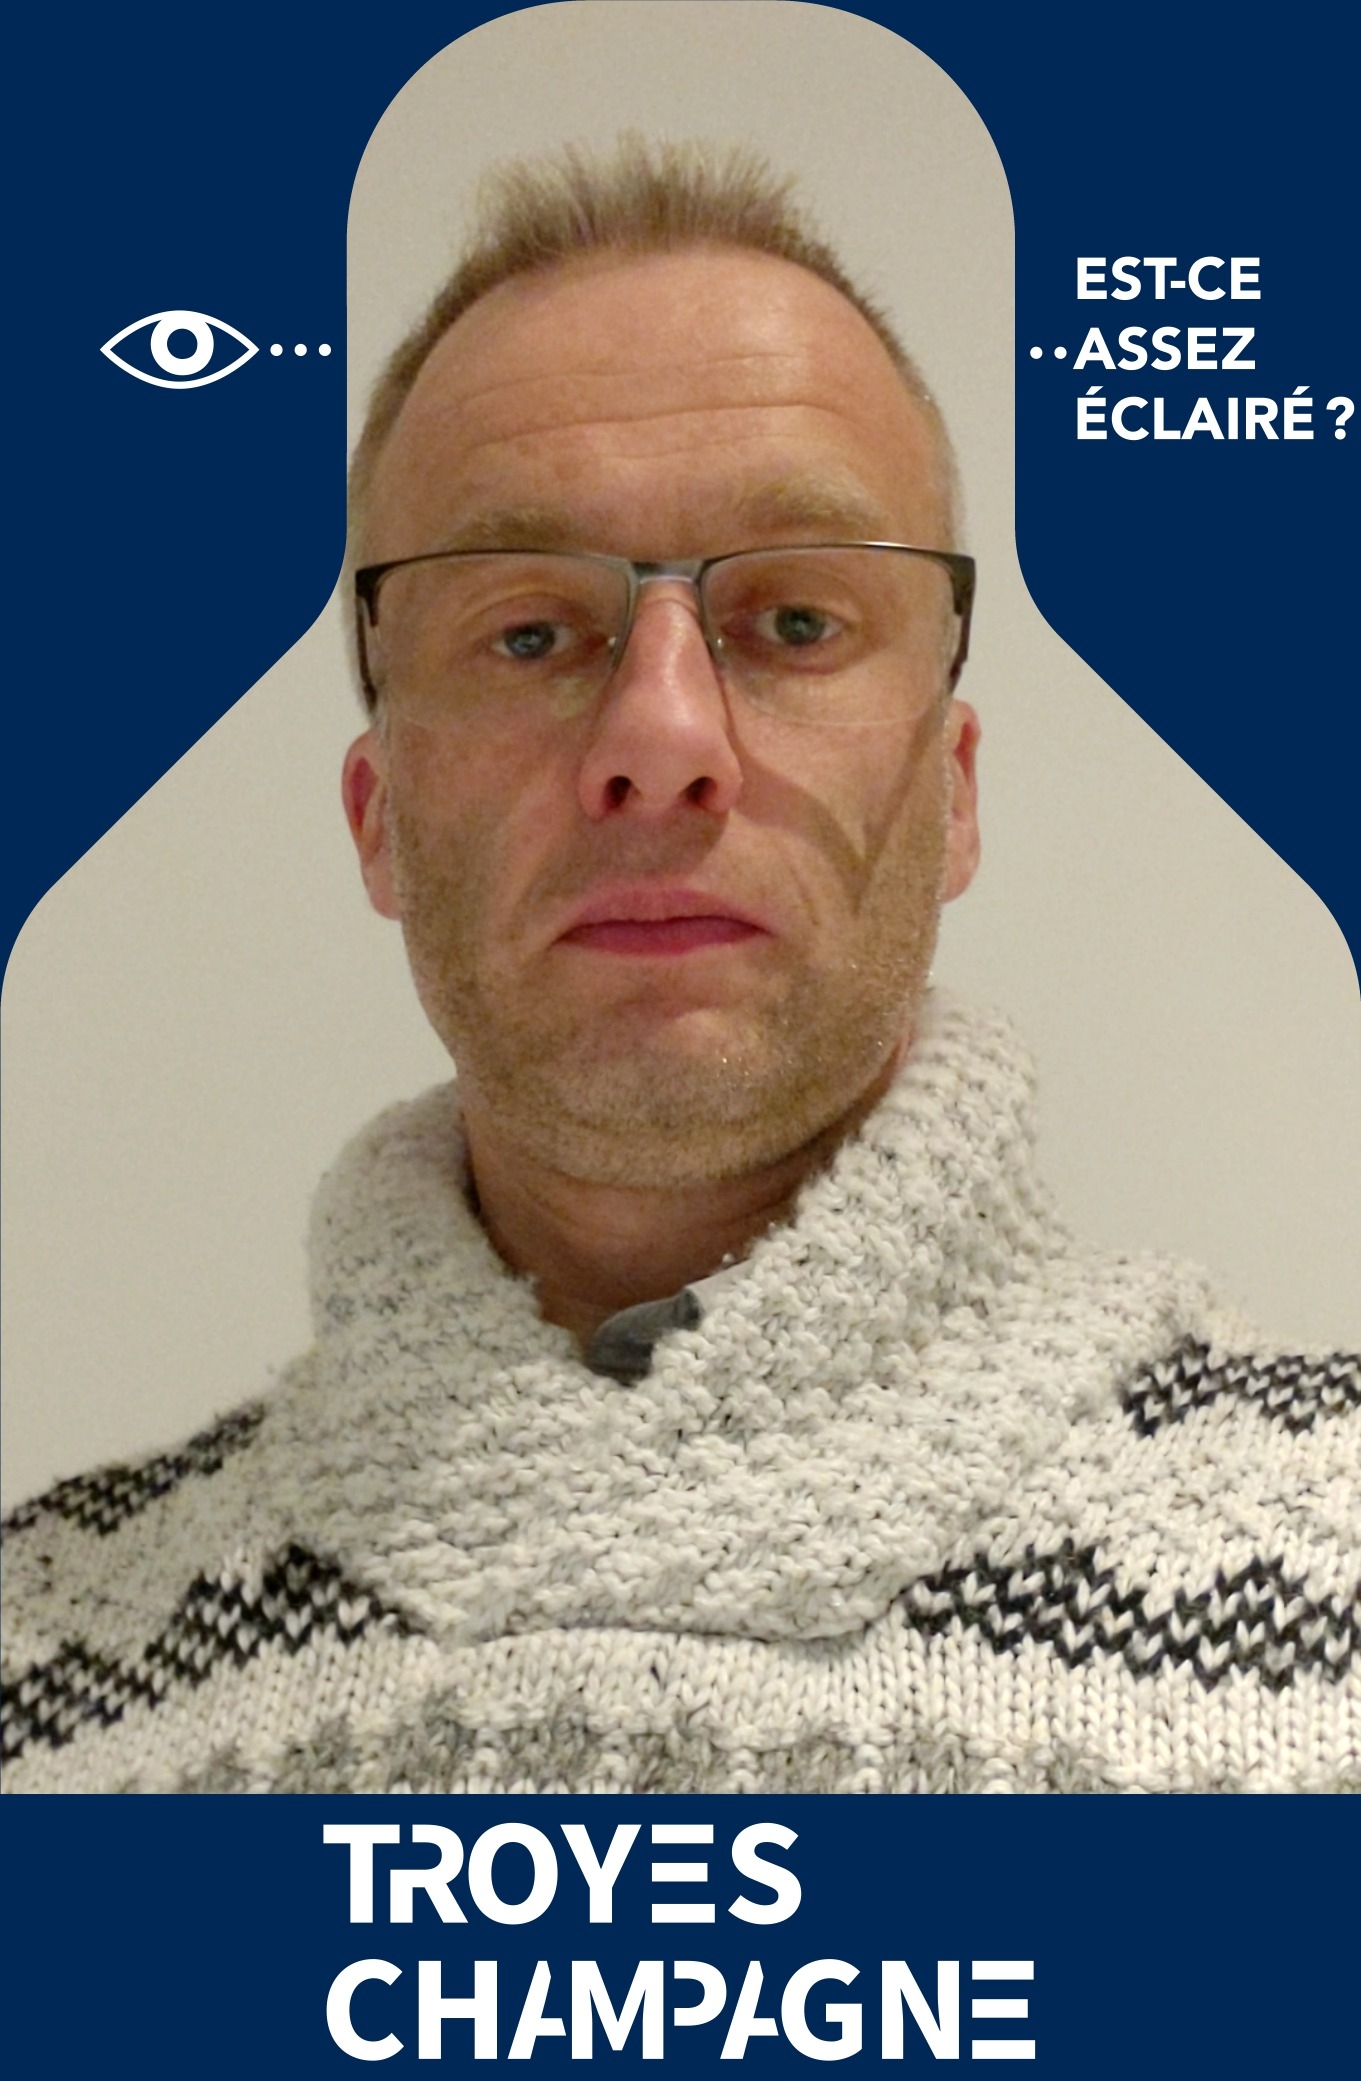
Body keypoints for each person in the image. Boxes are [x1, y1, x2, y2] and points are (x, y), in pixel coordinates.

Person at [3, 143, 1357, 1794]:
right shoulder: (38, 1672)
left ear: (951, 796)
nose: (659, 741)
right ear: (377, 819)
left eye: (794, 624)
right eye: (526, 632)